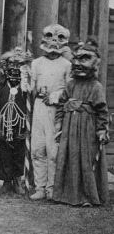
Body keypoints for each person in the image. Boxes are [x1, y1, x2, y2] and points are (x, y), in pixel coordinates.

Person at [53, 39, 110, 206]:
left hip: (87, 129)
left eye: (83, 60)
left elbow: (102, 110)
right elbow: (62, 106)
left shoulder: (96, 86)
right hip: (69, 128)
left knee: (86, 160)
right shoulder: (70, 85)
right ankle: (67, 195)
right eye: (75, 60)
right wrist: (59, 124)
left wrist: (101, 129)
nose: (78, 64)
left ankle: (87, 196)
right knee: (68, 159)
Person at [30, 24, 72, 200]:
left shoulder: (67, 64)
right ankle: (40, 187)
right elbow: (31, 87)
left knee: (52, 149)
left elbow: (70, 89)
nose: (54, 42)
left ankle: (52, 188)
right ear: (43, 39)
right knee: (37, 148)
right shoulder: (36, 63)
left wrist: (56, 96)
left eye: (59, 38)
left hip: (57, 110)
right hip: (39, 107)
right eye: (50, 37)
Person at [0, 46, 32, 194]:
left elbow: (29, 106)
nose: (15, 69)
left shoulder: (26, 88)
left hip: (21, 124)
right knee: (4, 152)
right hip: (5, 123)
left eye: (19, 66)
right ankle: (6, 181)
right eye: (12, 65)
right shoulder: (2, 86)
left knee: (19, 152)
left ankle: (17, 180)